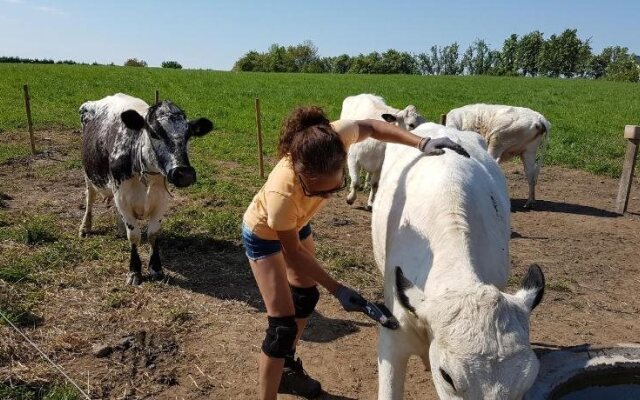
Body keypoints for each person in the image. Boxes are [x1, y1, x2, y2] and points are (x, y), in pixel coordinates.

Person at [242, 106, 468, 399]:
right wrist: (338, 289)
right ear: (300, 177)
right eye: (316, 192)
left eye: (333, 189)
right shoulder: (281, 195)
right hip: (265, 234)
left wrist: (421, 143)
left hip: (298, 223)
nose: (325, 197)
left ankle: (285, 368)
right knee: (282, 326)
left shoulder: (336, 138)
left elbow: (374, 127)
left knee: (306, 297)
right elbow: (294, 254)